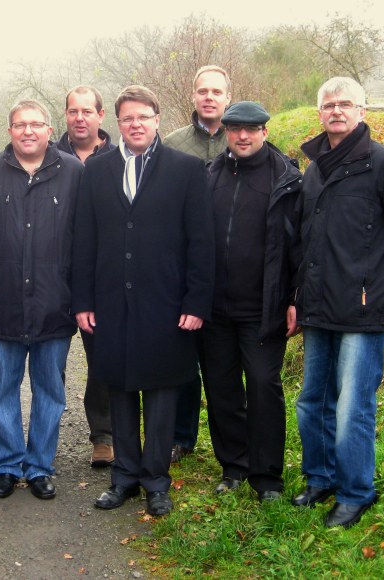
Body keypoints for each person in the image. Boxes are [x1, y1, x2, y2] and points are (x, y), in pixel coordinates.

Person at [292, 77, 384, 528]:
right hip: (318, 308)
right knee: (313, 400)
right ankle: (320, 477)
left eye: (345, 104)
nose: (336, 111)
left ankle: (355, 492)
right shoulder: (313, 170)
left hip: (363, 313)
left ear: (362, 111)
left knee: (353, 406)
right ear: (319, 114)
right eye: (328, 105)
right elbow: (305, 243)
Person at [72, 86, 214, 516]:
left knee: (161, 392)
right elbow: (83, 240)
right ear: (118, 124)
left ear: (157, 119)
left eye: (144, 117)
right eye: (128, 118)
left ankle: (156, 480)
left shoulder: (187, 170)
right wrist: (83, 299)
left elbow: (201, 243)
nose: (136, 124)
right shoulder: (96, 171)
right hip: (111, 302)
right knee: (118, 389)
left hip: (167, 302)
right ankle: (124, 477)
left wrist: (196, 302)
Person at [0, 100, 83, 500]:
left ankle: (40, 466)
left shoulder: (74, 173)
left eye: (35, 124)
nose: (27, 131)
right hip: (3, 305)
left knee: (50, 392)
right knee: (2, 391)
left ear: (49, 129)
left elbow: (86, 242)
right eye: (19, 125)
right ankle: (8, 465)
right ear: (9, 130)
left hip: (54, 306)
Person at [201, 101, 302, 501]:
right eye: (235, 129)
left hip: (264, 308)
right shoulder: (209, 176)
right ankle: (234, 466)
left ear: (264, 131)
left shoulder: (287, 179)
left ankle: (267, 477)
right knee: (221, 388)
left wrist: (295, 297)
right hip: (214, 309)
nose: (243, 136)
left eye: (252, 129)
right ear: (226, 131)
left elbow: (300, 247)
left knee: (263, 386)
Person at [163, 65, 232, 463]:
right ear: (193, 96)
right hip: (182, 266)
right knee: (185, 359)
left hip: (231, 265)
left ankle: (229, 441)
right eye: (202, 90)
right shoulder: (172, 143)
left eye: (216, 91)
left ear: (227, 96)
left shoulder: (242, 137)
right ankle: (181, 437)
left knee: (221, 364)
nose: (209, 97)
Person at [55, 85, 116, 468]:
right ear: (65, 116)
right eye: (73, 111)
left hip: (99, 276)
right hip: (55, 274)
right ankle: (45, 433)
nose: (80, 118)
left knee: (102, 359)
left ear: (100, 115)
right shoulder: (48, 155)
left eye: (87, 111)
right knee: (50, 360)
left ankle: (104, 435)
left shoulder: (119, 157)